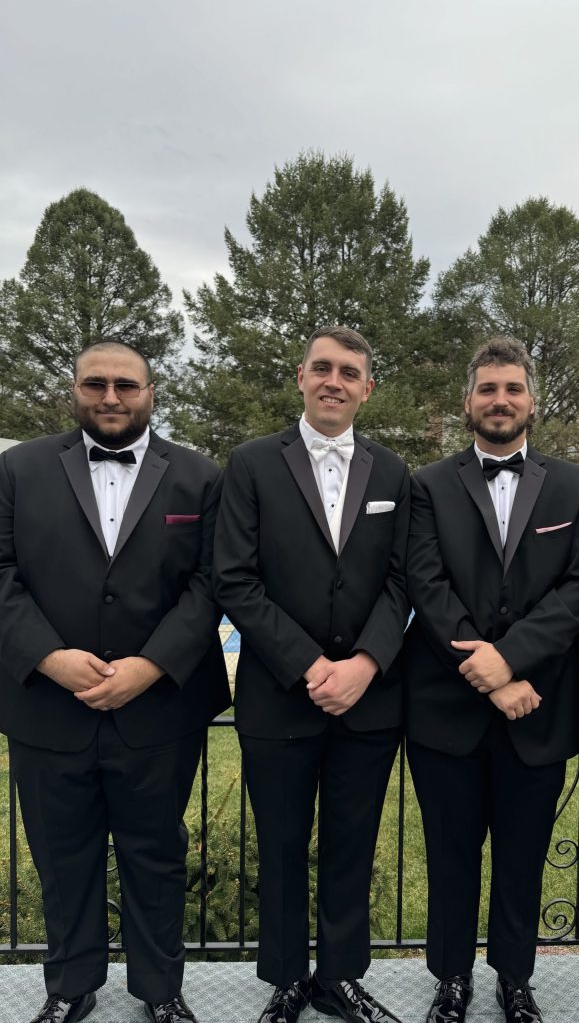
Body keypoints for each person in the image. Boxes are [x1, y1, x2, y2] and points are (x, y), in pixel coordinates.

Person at [0, 341, 231, 1023]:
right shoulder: (17, 470)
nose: (110, 397)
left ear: (152, 391)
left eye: (125, 385)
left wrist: (151, 665)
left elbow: (211, 583)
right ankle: (70, 988)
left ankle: (160, 993)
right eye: (95, 384)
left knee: (156, 856)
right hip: (47, 704)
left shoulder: (199, 477)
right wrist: (48, 656)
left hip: (159, 707)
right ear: (73, 389)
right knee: (61, 854)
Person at [213, 326, 410, 1023]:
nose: (334, 380)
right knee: (283, 845)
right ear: (300, 377)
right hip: (278, 696)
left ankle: (342, 978)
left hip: (369, 698)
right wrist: (307, 665)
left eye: (348, 371)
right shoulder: (251, 463)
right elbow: (234, 578)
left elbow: (400, 581)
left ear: (367, 387)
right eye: (322, 368)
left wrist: (363, 663)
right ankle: (287, 979)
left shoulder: (393, 473)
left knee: (353, 843)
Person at [404, 337, 579, 1023]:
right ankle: (450, 980)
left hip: (538, 711)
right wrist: (490, 678)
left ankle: (515, 980)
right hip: (444, 712)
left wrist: (510, 661)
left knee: (522, 861)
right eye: (488, 389)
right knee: (450, 859)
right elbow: (427, 587)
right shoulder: (425, 485)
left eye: (512, 388)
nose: (500, 400)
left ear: (532, 402)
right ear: (468, 402)